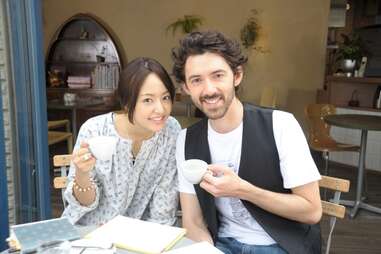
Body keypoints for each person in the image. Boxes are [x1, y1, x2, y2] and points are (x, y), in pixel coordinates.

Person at [172, 31, 322, 254]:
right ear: (186, 88)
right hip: (218, 244)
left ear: (237, 76)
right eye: (196, 80)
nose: (209, 89)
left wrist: (244, 190)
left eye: (218, 75)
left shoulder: (281, 125)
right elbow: (193, 221)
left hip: (280, 245)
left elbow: (311, 211)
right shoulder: (186, 140)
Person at [62, 57, 181, 226]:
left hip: (140, 237)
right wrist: (82, 174)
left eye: (166, 97)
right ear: (126, 102)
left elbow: (164, 204)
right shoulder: (95, 129)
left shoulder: (171, 130)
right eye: (148, 100)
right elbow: (83, 204)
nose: (161, 109)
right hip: (91, 233)